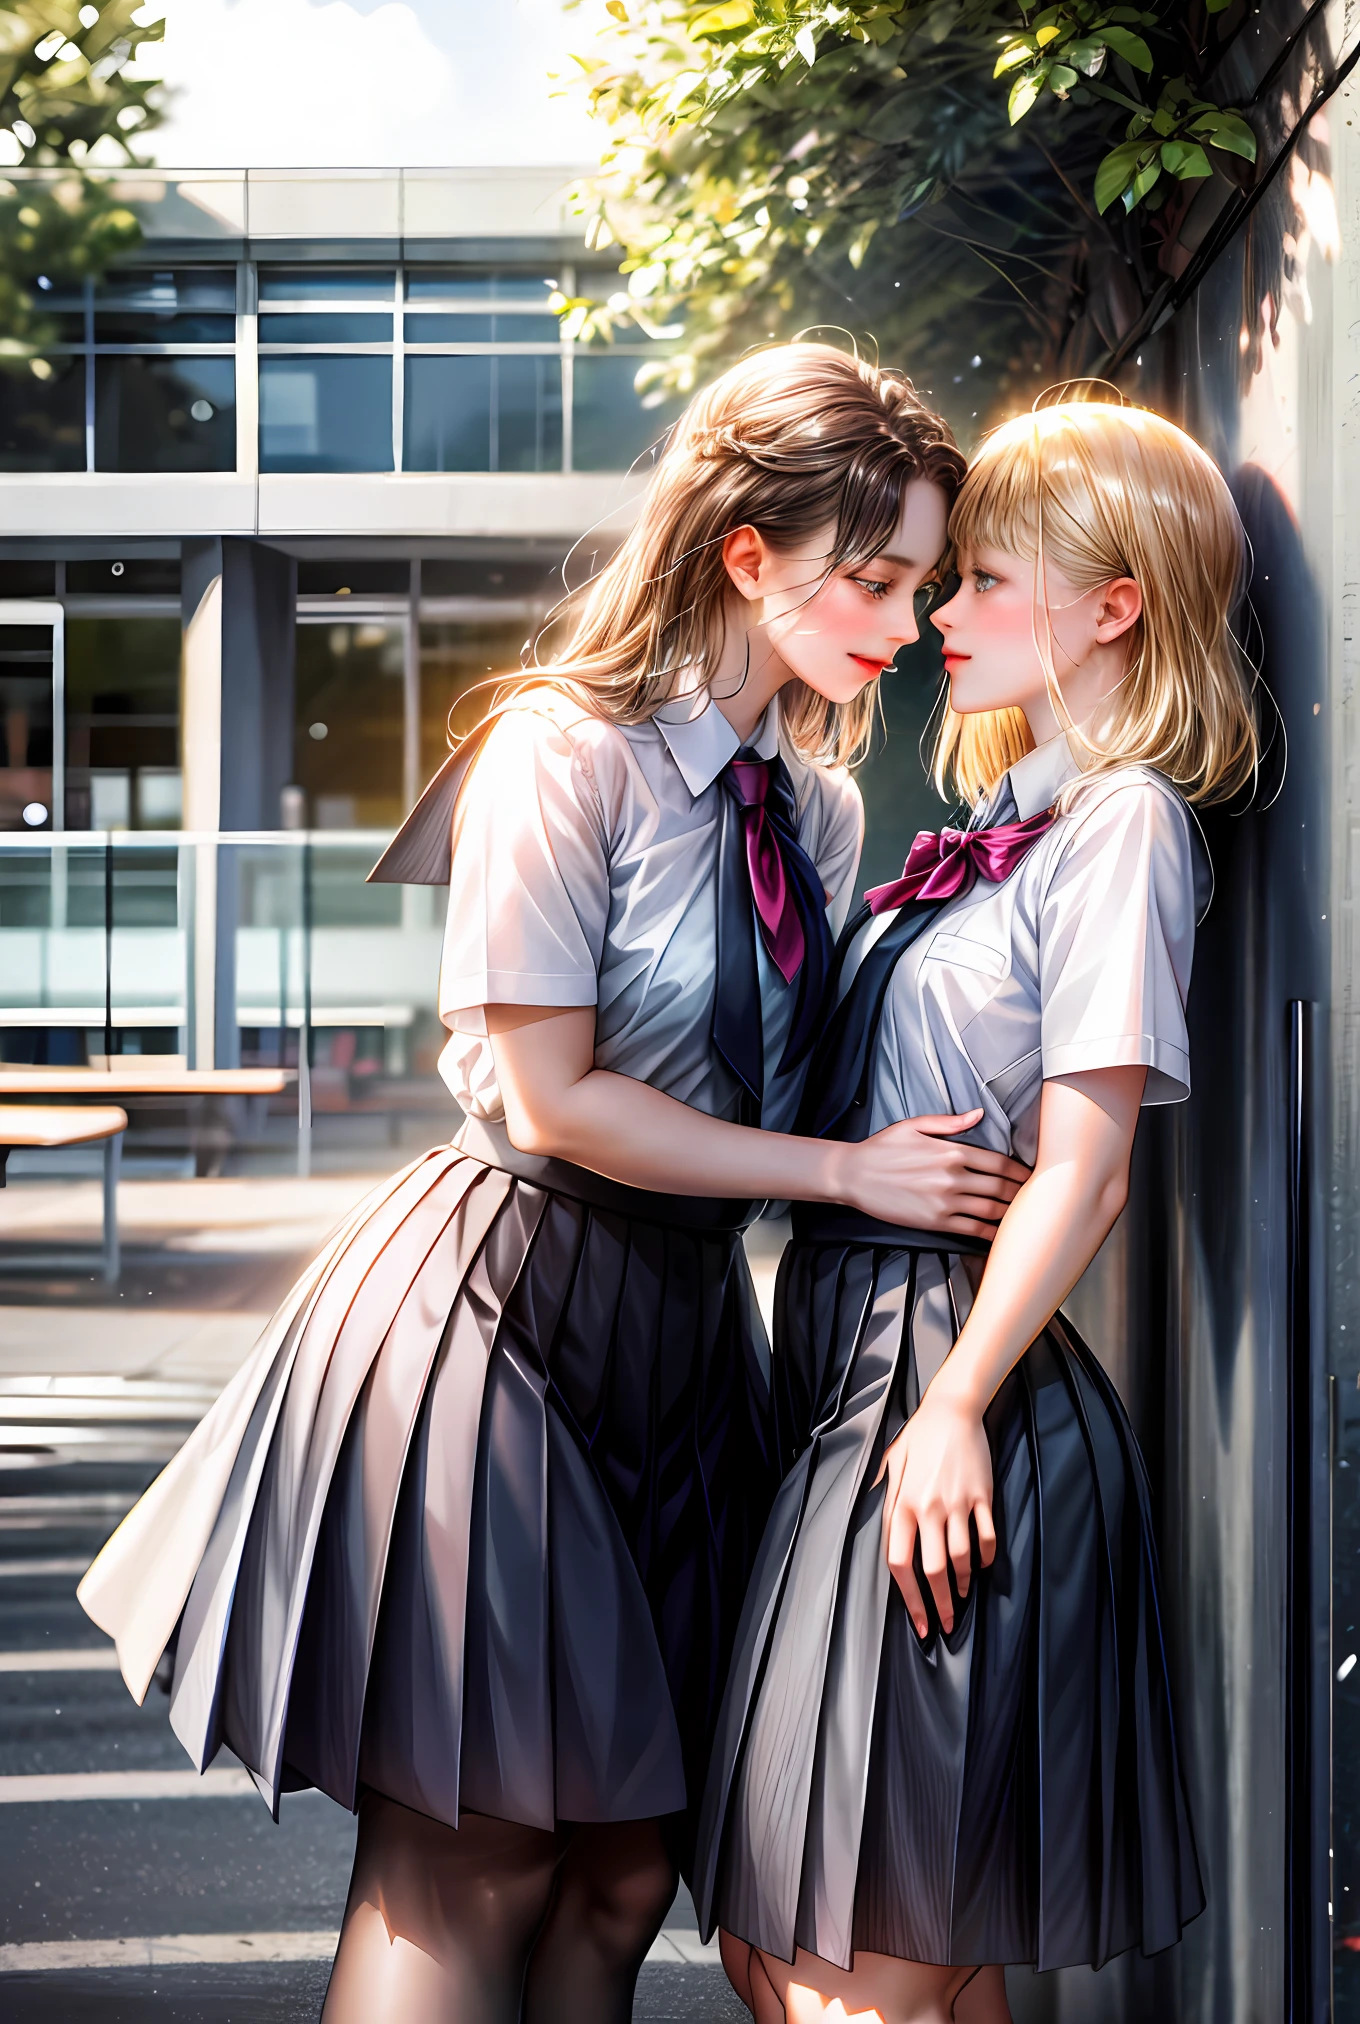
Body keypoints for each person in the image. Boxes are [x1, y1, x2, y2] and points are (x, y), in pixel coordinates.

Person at [77, 344, 1029, 2024]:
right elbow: (548, 1090)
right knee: (484, 1843)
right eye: (872, 578)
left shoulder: (807, 804)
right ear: (750, 553)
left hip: (675, 1327)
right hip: (492, 1307)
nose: (904, 621)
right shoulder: (558, 754)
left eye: (922, 583)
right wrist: (845, 1171)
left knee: (624, 1866)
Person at [695, 397, 1259, 2024]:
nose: (943, 613)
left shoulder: (1124, 823)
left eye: (985, 579)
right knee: (850, 1937)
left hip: (956, 1386)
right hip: (858, 1373)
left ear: (1113, 604)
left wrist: (950, 1404)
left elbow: (1086, 1161)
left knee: (853, 1956)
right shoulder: (1014, 824)